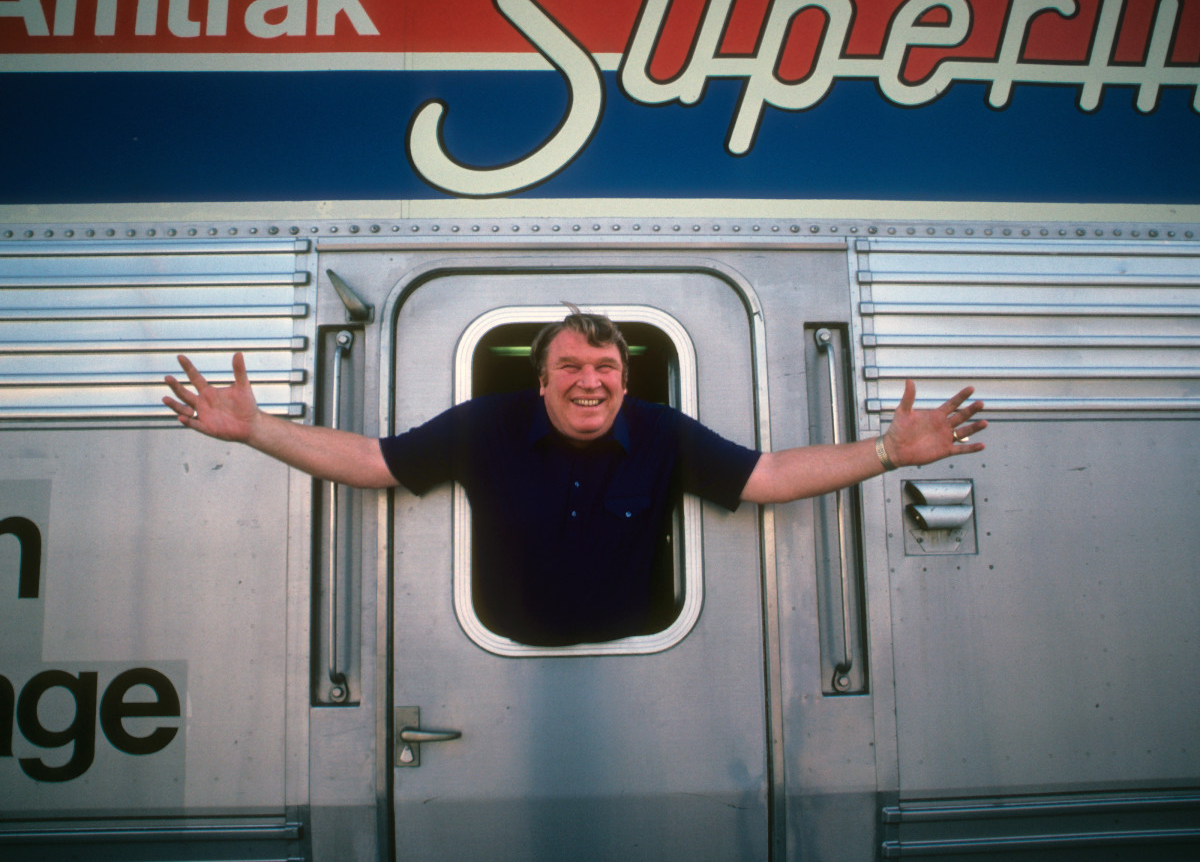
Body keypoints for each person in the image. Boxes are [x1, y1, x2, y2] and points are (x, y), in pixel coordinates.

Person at [164, 307, 986, 644]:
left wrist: (885, 453)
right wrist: (258, 429)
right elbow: (375, 463)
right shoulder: (486, 426)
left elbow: (768, 477)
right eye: (570, 367)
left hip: (635, 669)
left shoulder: (661, 433)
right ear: (542, 379)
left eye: (604, 366)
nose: (588, 380)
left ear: (626, 380)